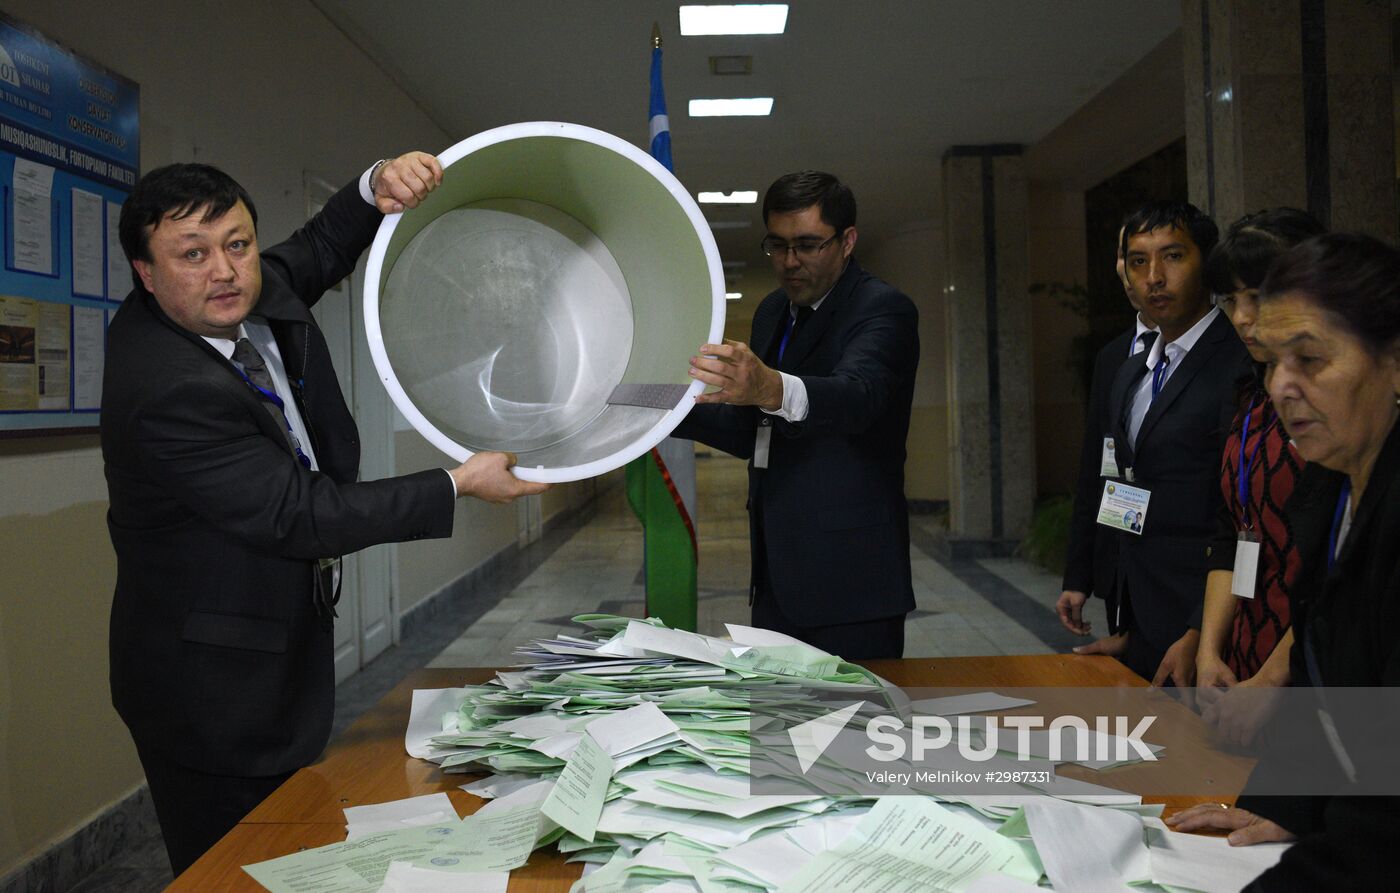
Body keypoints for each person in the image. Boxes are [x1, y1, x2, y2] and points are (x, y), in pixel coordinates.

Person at [101, 154, 548, 873]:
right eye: (193, 255)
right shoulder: (165, 387)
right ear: (146, 273)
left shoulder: (247, 290)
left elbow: (320, 245)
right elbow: (298, 514)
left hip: (269, 649)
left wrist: (377, 184)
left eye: (237, 244)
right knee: (239, 863)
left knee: (297, 842)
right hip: (208, 687)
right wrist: (456, 483)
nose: (225, 270)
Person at [1166, 232, 1400, 890]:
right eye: (1272, 362)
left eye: (1310, 359)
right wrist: (1279, 803)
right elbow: (1336, 696)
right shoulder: (1328, 486)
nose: (1281, 386)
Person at [673, 170, 919, 659]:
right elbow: (752, 433)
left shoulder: (882, 309)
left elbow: (857, 396)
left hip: (851, 584)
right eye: (778, 245)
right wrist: (663, 412)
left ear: (847, 241)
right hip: (775, 578)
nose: (789, 262)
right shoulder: (773, 312)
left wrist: (769, 386)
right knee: (778, 729)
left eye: (808, 245)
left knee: (855, 731)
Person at [1071, 201, 1250, 685]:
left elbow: (1238, 522)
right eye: (1138, 261)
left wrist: (1198, 633)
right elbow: (1115, 478)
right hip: (1139, 613)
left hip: (1208, 629)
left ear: (1207, 263)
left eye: (1172, 256)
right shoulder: (1133, 368)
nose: (1153, 276)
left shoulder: (1238, 365)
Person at [1194, 209, 1323, 746]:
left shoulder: (1335, 405)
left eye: (1258, 296)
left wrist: (1273, 680)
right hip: (1245, 652)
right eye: (1230, 301)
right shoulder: (1251, 394)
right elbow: (1232, 531)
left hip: (1312, 664)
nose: (1244, 318)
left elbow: (1342, 569)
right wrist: (1208, 651)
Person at [1057, 226, 1158, 639]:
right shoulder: (1112, 357)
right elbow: (1095, 468)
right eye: (1126, 255)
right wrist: (1078, 575)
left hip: (1175, 566)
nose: (1128, 268)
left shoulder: (1206, 354)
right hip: (1120, 563)